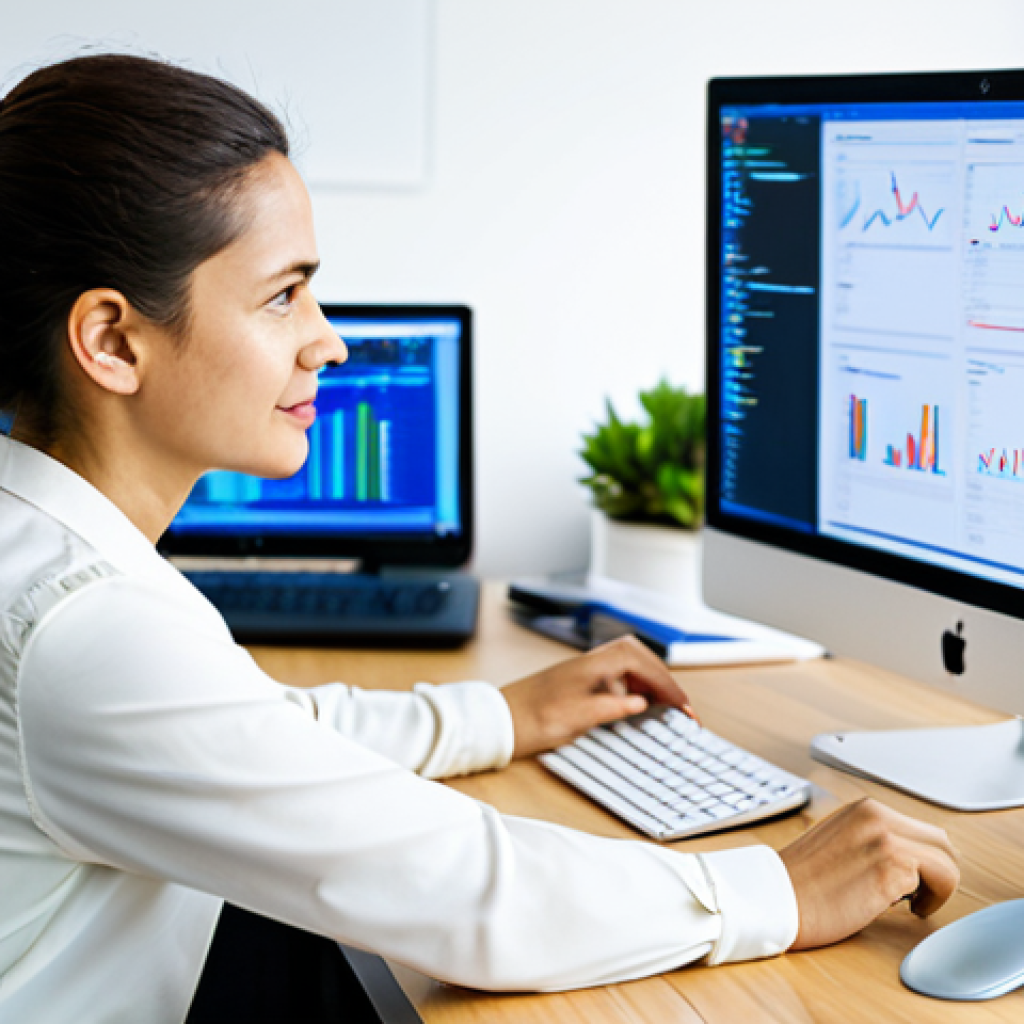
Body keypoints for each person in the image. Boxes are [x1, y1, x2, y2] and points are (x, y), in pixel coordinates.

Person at [0, 54, 959, 1024]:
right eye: (283, 295)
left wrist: (496, 717)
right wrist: (775, 890)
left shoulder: (44, 555)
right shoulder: (83, 625)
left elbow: (250, 734)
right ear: (113, 342)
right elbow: (465, 889)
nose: (326, 340)